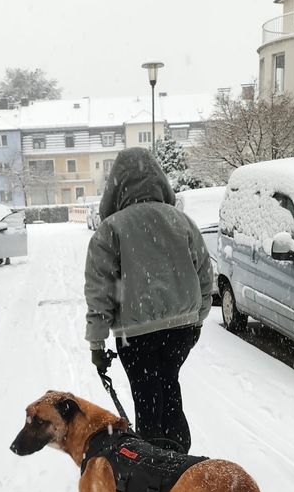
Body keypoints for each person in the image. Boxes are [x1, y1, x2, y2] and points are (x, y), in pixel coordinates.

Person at [84, 147, 213, 453]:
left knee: (146, 398)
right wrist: (198, 316)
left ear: (115, 188)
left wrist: (96, 344)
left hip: (135, 335)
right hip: (181, 330)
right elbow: (204, 273)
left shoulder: (110, 230)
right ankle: (178, 457)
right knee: (169, 388)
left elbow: (99, 291)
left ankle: (154, 466)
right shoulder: (181, 221)